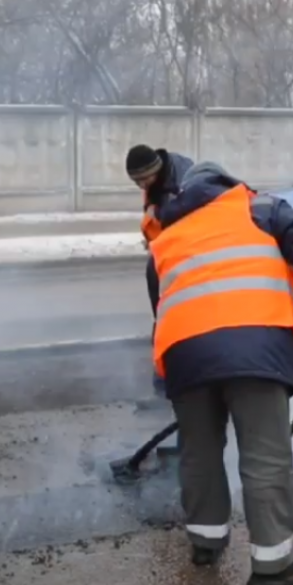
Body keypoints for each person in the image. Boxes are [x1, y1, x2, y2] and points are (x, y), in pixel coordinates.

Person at [146, 162, 293, 585]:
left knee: (198, 451)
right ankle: (274, 565)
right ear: (228, 184)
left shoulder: (166, 236)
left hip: (185, 353)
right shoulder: (260, 208)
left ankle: (205, 541)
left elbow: (161, 305)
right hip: (254, 347)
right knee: (264, 455)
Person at [125, 144, 194, 396]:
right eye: (137, 182)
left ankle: (170, 383)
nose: (142, 186)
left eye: (145, 179)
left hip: (185, 257)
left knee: (176, 318)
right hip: (164, 254)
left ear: (157, 169)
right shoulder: (157, 182)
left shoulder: (184, 181)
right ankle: (165, 381)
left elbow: (189, 222)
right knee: (164, 316)